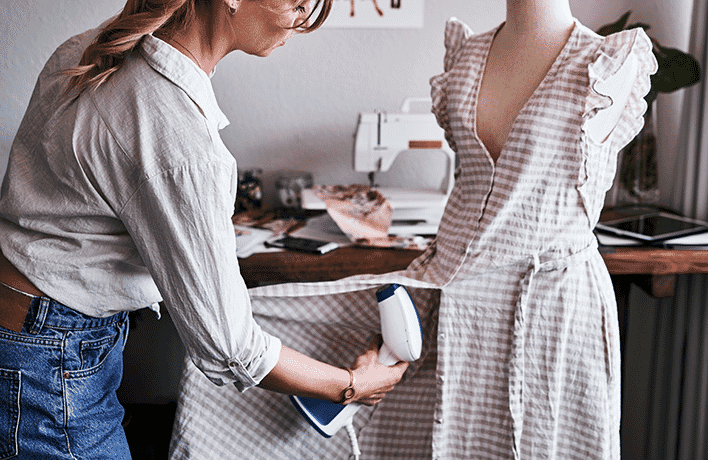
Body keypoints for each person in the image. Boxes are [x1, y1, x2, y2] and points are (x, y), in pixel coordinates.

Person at [167, 0, 658, 459]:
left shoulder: (608, 66)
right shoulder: (469, 56)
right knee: (250, 318)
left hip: (550, 307)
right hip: (453, 292)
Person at [0, 1, 410, 458]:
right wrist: (351, 386)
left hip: (24, 329)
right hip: (50, 358)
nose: (304, 19)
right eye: (296, 2)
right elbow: (229, 345)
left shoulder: (92, 47)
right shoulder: (178, 134)